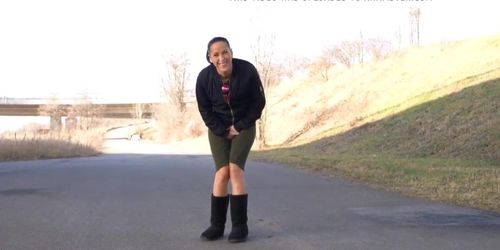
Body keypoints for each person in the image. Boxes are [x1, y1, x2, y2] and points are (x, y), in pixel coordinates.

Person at [195, 36, 266, 243]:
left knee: (235, 169)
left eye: (224, 52)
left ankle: (240, 226)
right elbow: (205, 110)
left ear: (231, 52)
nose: (221, 57)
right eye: (215, 54)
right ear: (210, 58)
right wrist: (222, 130)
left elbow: (258, 103)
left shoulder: (247, 71)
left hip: (245, 125)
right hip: (218, 129)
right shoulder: (204, 78)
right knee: (222, 172)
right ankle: (216, 226)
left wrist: (239, 126)